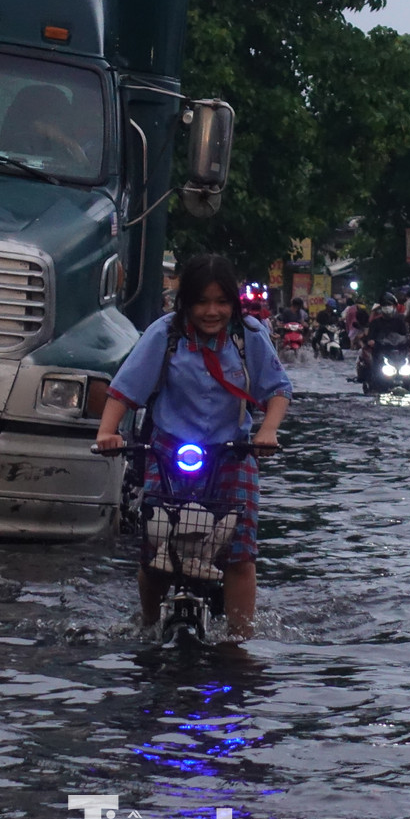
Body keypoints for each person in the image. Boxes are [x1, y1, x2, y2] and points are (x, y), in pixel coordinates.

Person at [96, 254, 292, 638]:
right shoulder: (165, 334)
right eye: (202, 302)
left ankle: (240, 638)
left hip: (232, 453)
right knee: (154, 553)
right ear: (185, 302)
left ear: (233, 304)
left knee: (239, 555)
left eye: (221, 302)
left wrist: (267, 431)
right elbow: (125, 390)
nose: (212, 311)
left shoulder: (248, 336)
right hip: (168, 454)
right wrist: (107, 432)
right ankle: (149, 626)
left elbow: (277, 390)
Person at [356, 292, 408, 380]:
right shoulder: (375, 322)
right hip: (381, 351)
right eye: (385, 305)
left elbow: (405, 335)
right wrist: (371, 341)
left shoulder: (400, 322)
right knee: (375, 366)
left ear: (394, 307)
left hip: (398, 351)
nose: (387, 307)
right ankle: (374, 380)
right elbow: (370, 338)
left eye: (389, 305)